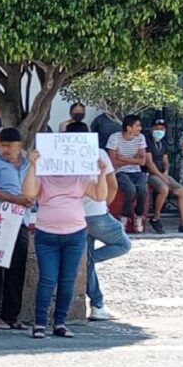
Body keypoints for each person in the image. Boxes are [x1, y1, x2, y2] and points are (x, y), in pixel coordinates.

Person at [22, 149, 109, 339]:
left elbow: (100, 195)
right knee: (47, 279)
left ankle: (60, 322)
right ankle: (40, 323)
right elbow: (29, 192)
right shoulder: (43, 176)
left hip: (75, 235)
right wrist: (32, 166)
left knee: (67, 280)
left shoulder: (80, 177)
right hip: (47, 234)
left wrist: (102, 173)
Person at [66, 121, 131, 321]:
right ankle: (97, 303)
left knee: (86, 260)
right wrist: (105, 203)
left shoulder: (63, 155)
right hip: (96, 213)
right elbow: (112, 184)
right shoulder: (99, 153)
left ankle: (97, 303)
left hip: (74, 214)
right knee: (123, 244)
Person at [0, 127, 33, 330]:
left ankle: (11, 315)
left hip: (21, 221)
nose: (5, 149)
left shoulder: (28, 164)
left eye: (8, 146)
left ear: (18, 145)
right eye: (2, 145)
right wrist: (15, 199)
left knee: (17, 270)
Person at [143, 118, 183, 233]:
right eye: (156, 128)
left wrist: (166, 172)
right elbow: (149, 164)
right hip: (150, 174)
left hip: (162, 173)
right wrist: (162, 177)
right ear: (151, 128)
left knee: (182, 191)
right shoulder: (147, 142)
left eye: (162, 129)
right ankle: (156, 218)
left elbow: (166, 161)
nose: (159, 131)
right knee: (164, 189)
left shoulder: (163, 143)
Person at [107, 115, 149, 233]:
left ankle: (139, 215)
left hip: (136, 171)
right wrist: (133, 158)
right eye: (137, 126)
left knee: (142, 190)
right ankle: (124, 216)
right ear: (129, 127)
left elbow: (142, 161)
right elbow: (113, 161)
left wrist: (123, 158)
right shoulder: (114, 137)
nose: (140, 128)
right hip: (120, 172)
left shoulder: (140, 138)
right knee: (130, 190)